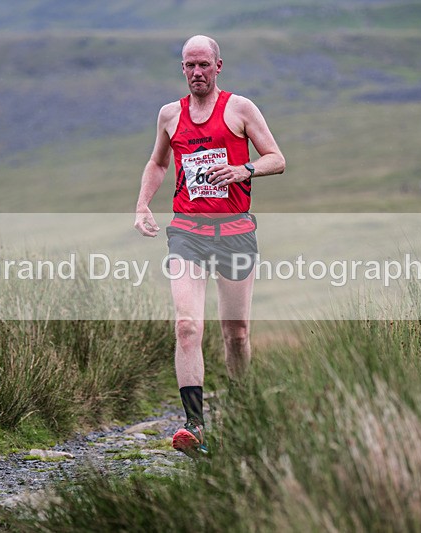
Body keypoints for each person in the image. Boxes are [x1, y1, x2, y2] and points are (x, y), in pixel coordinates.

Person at [133, 35, 285, 456]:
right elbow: (159, 161)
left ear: (219, 66)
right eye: (189, 65)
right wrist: (143, 204)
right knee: (187, 327)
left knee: (235, 333)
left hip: (235, 232)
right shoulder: (169, 115)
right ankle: (194, 426)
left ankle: (243, 409)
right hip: (187, 233)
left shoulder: (240, 108)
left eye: (204, 64)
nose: (196, 72)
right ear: (182, 68)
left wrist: (243, 170)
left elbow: (277, 157)